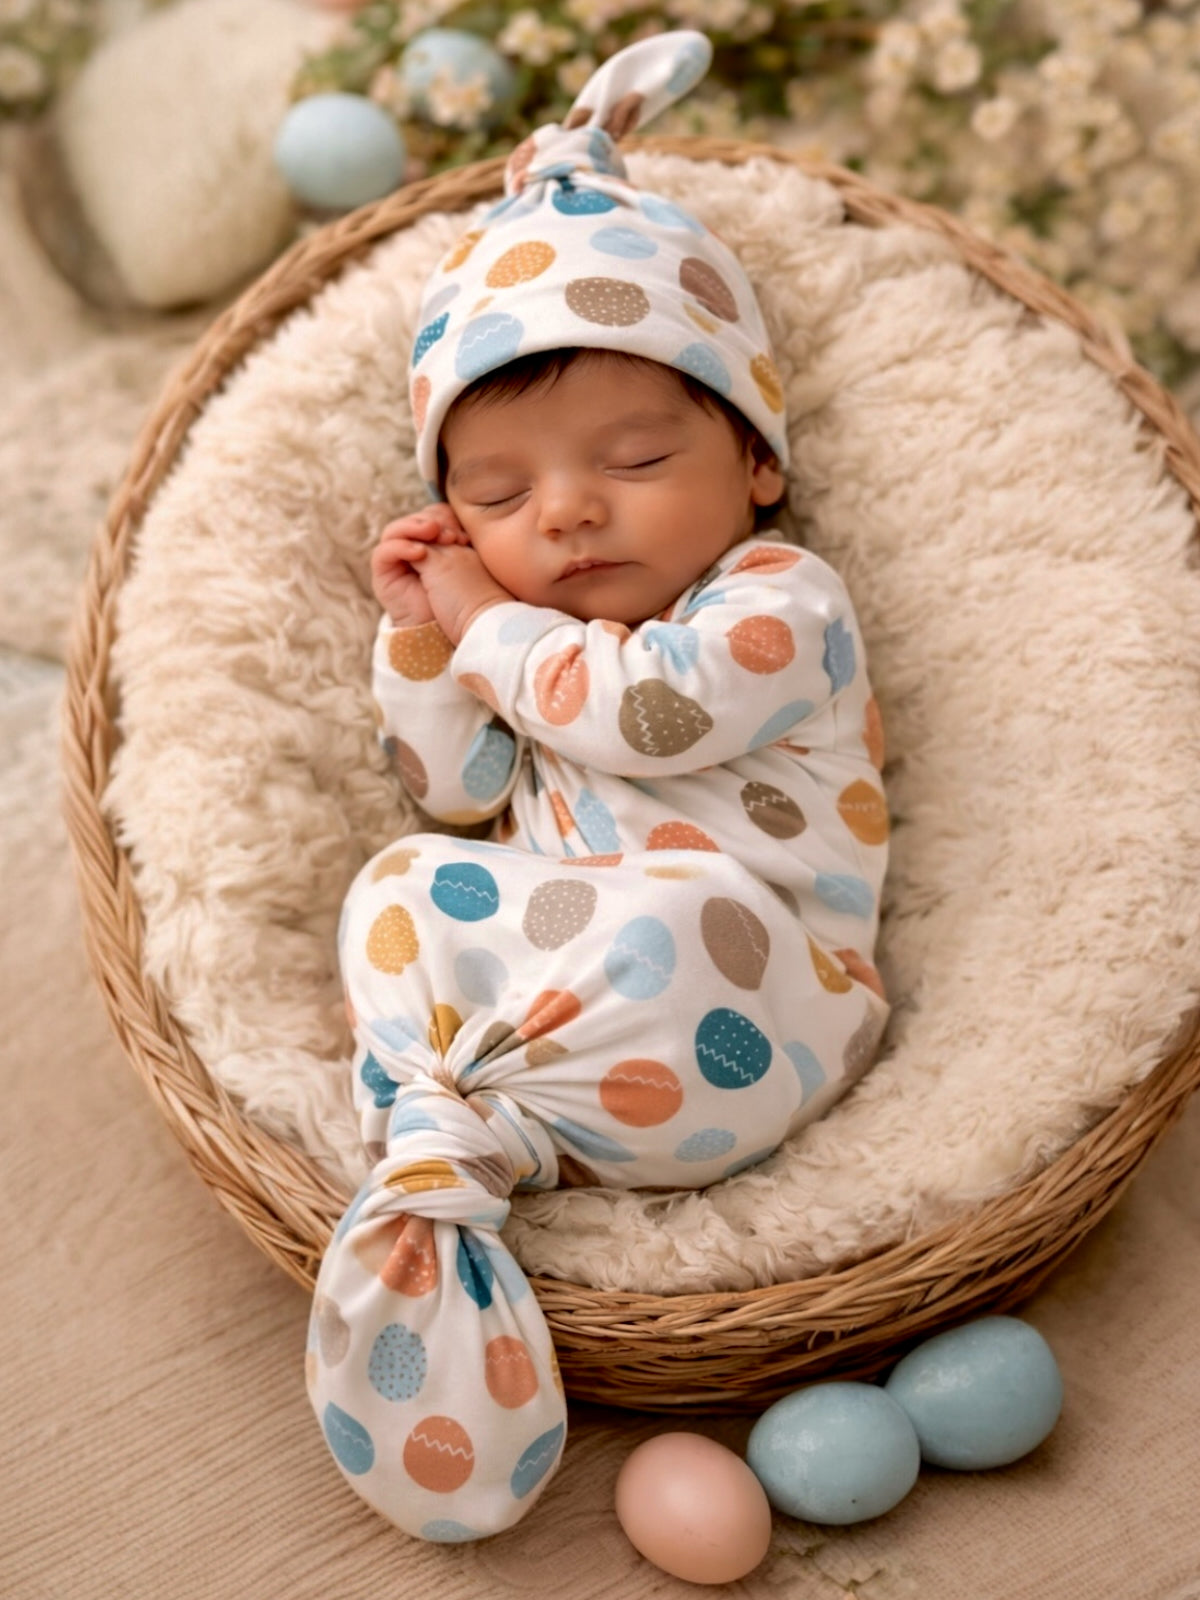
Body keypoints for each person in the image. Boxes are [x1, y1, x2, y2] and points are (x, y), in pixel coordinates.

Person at [308, 30, 889, 1545]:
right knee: (398, 887)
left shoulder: (776, 599)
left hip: (757, 994)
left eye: (633, 456)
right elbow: (453, 786)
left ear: (755, 458)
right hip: (561, 1013)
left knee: (673, 912)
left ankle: (482, 1121)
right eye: (499, 494)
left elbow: (645, 716)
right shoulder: (521, 644)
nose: (563, 511)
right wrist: (420, 645)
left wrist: (491, 622)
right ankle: (438, 1160)